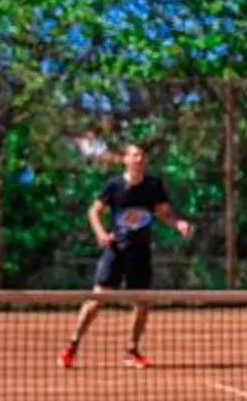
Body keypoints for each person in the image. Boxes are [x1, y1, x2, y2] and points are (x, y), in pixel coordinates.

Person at [59, 144, 193, 370]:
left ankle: (132, 351)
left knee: (142, 303)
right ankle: (72, 346)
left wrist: (178, 223)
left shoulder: (153, 186)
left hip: (140, 253)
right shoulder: (114, 185)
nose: (139, 159)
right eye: (134, 155)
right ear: (125, 160)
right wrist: (101, 234)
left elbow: (163, 213)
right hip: (116, 251)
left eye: (142, 156)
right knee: (96, 300)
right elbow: (94, 211)